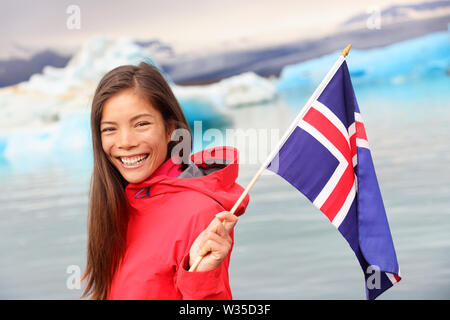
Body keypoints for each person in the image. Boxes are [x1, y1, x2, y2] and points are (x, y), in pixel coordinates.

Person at [82, 62, 250, 300]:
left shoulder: (199, 213)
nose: (125, 141)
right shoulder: (117, 202)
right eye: (110, 129)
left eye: (141, 124)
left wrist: (201, 280)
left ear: (170, 128)